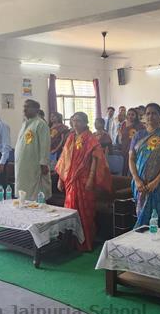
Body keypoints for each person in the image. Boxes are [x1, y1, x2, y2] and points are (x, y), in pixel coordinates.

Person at [56, 112, 112, 251]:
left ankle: (85, 243)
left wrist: (91, 178)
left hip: (84, 179)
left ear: (86, 122)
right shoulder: (70, 137)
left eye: (79, 120)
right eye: (74, 120)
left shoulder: (90, 138)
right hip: (70, 180)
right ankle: (71, 242)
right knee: (70, 210)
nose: (76, 123)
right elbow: (64, 160)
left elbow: (96, 159)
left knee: (85, 212)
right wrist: (61, 179)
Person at [14, 99, 51, 201]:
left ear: (36, 109)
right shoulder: (25, 124)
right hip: (22, 165)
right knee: (23, 193)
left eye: (28, 107)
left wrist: (43, 163)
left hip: (34, 166)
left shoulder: (40, 124)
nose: (24, 109)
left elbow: (45, 145)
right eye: (24, 107)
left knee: (35, 193)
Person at [119, 108, 145, 175]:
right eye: (129, 114)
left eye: (132, 115)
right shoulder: (124, 124)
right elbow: (121, 134)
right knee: (124, 165)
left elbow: (142, 138)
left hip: (134, 149)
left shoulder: (139, 126)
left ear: (136, 116)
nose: (130, 116)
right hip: (124, 147)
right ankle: (124, 179)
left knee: (132, 166)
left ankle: (132, 178)